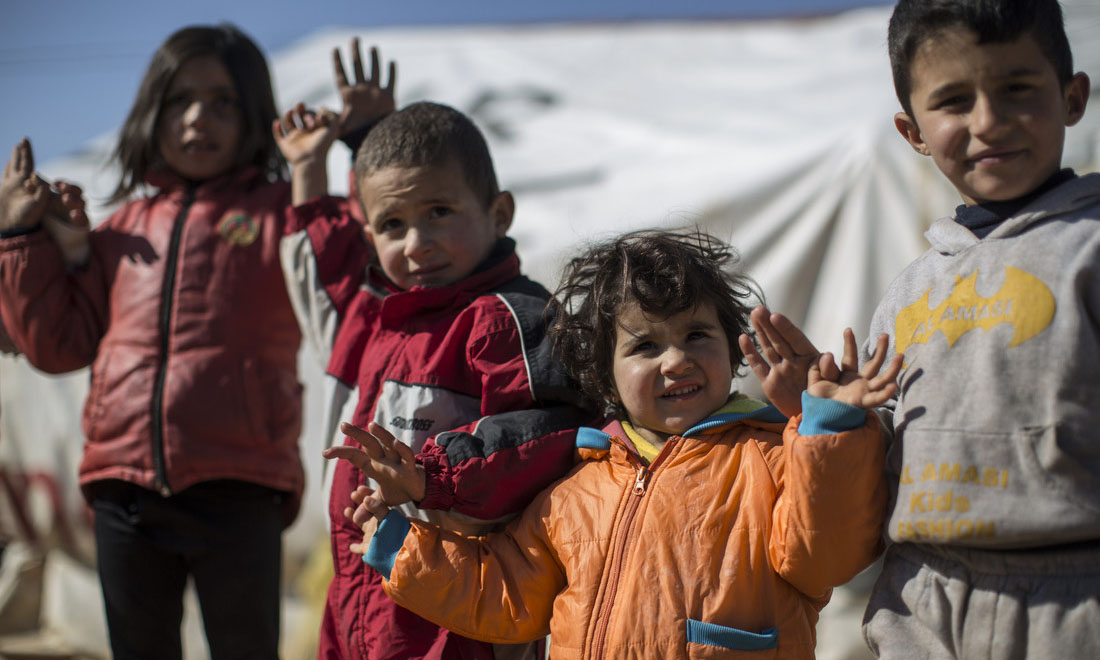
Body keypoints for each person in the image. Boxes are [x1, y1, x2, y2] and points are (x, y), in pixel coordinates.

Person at [0, 25, 390, 660]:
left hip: (241, 487)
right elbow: (55, 346)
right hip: (122, 488)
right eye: (180, 99)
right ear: (153, 112)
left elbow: (355, 254)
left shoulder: (277, 211)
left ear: (254, 115)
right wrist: (22, 239)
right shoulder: (121, 230)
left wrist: (361, 140)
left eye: (223, 101)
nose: (198, 117)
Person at [330, 230, 902, 659]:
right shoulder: (574, 490)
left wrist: (827, 428)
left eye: (696, 335)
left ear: (733, 352)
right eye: (645, 346)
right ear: (605, 377)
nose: (676, 359)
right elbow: (506, 595)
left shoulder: (774, 457)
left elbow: (826, 555)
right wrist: (398, 543)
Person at [282, 99, 595, 659]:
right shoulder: (372, 317)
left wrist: (433, 477)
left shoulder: (507, 317)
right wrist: (309, 169)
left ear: (499, 213)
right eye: (392, 225)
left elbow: (554, 433)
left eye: (440, 213)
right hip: (356, 606)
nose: (416, 242)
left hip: (460, 619)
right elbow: (323, 274)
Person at [859, 1, 1100, 657]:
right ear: (913, 132)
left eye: (1017, 89)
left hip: (1074, 600)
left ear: (1073, 97)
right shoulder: (910, 288)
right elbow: (876, 458)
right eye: (955, 101)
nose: (989, 122)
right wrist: (823, 416)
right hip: (920, 601)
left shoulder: (1089, 248)